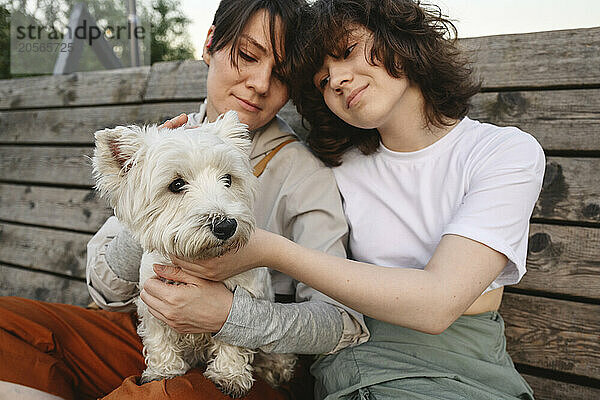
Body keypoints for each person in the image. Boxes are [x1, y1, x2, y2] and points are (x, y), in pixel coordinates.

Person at [163, 0, 546, 399]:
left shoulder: (503, 152)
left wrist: (270, 251)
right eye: (322, 81)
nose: (339, 80)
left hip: (453, 368)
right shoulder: (333, 165)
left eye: (347, 52)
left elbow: (438, 303)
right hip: (343, 366)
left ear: (396, 34)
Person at [0, 1, 370, 399]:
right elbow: (105, 292)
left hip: (248, 360)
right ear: (210, 43)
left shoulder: (303, 172)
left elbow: (341, 322)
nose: (260, 84)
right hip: (150, 332)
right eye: (248, 56)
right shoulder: (161, 143)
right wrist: (143, 196)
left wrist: (231, 316)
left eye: (282, 74)